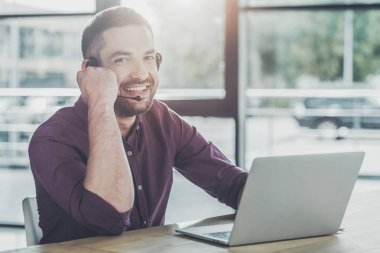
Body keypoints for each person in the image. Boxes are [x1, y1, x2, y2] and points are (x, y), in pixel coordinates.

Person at [28, 6, 248, 244]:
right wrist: (100, 103)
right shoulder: (51, 138)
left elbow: (232, 185)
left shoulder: (163, 120)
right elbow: (109, 217)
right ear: (91, 70)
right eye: (122, 59)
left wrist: (283, 203)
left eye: (149, 57)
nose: (141, 73)